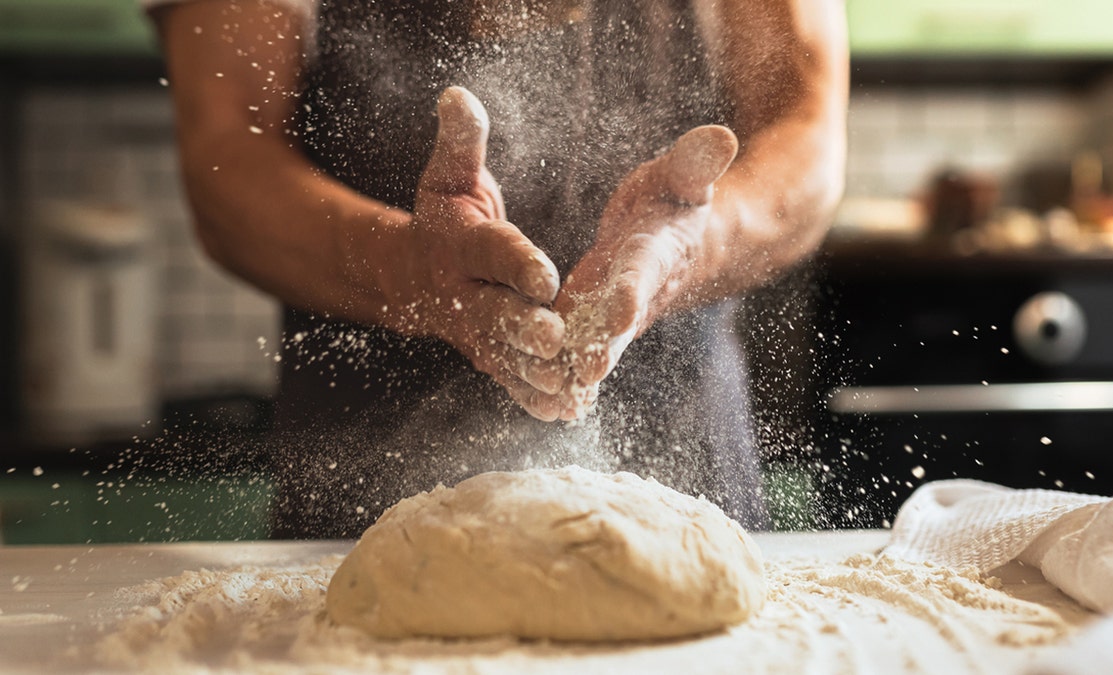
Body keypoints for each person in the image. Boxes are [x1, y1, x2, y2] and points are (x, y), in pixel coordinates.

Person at [147, 0, 847, 537]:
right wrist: (407, 271)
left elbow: (806, 132)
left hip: (686, 467)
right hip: (362, 495)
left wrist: (692, 244)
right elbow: (226, 164)